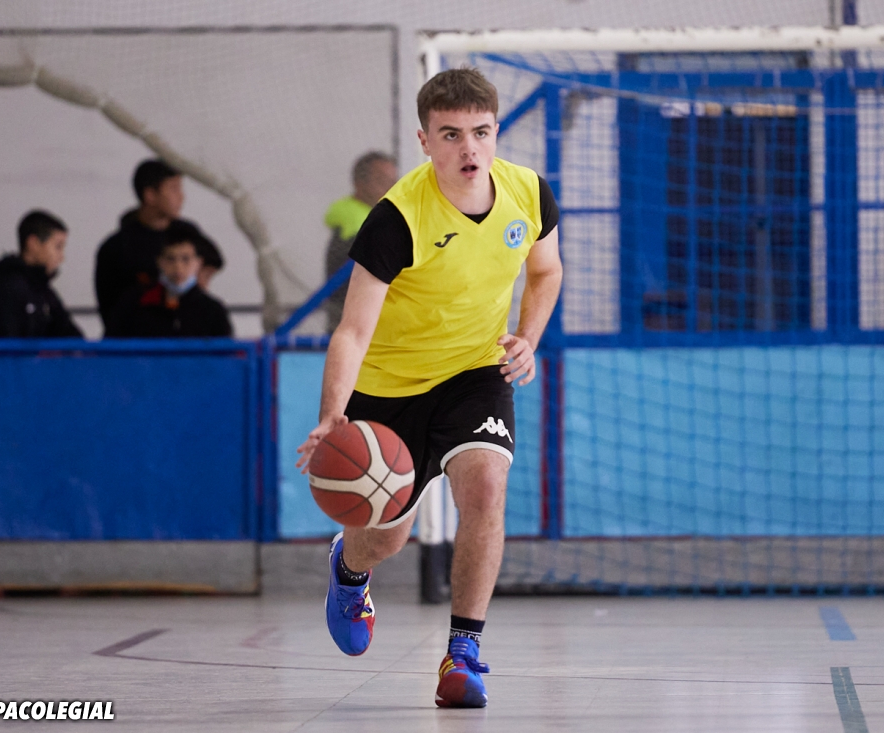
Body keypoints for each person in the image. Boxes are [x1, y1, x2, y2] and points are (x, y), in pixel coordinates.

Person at [295, 68, 562, 709]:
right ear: (424, 141)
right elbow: (352, 330)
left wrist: (528, 336)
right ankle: (350, 569)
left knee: (487, 488)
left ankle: (461, 653)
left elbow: (546, 271)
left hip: (475, 373)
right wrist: (333, 415)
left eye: (481, 132)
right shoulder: (396, 219)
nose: (469, 149)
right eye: (450, 135)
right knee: (389, 538)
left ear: (495, 132)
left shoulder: (529, 193)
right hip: (390, 389)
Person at [94, 159, 223, 331]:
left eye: (186, 260)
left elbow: (214, 260)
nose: (181, 196)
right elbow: (109, 309)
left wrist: (200, 281)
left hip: (188, 332)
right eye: (173, 188)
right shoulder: (116, 248)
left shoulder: (188, 233)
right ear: (150, 195)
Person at [106, 222, 232, 338]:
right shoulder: (132, 304)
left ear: (198, 263)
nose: (178, 267)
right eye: (170, 259)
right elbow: (110, 347)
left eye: (186, 259)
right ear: (160, 262)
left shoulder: (212, 310)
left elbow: (227, 352)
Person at [0, 210, 82, 338]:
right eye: (58, 247)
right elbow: (6, 344)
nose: (61, 257)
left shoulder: (44, 291)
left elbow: (73, 336)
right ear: (33, 244)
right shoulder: (6, 288)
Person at [323, 152, 398, 333]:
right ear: (359, 184)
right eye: (381, 181)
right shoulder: (355, 228)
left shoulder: (375, 221)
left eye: (394, 181)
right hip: (356, 331)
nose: (391, 188)